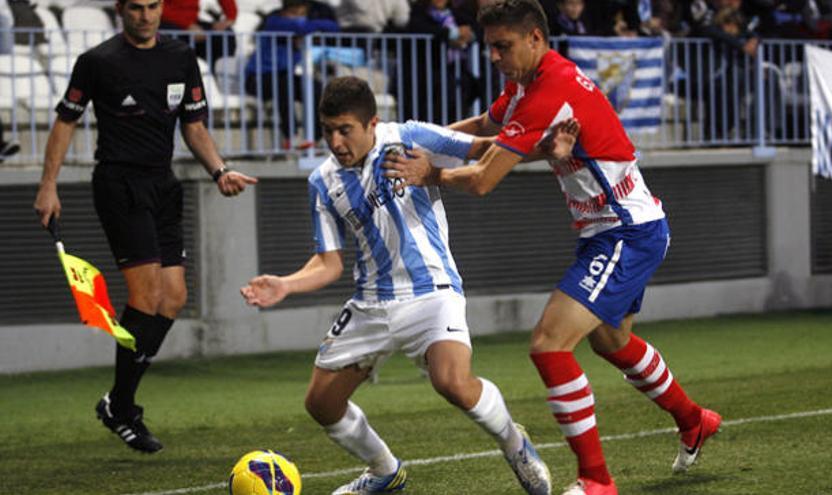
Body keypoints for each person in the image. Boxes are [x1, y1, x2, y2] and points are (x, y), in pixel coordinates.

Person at [382, 1, 722, 494]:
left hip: (626, 232)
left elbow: (481, 181)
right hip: (616, 229)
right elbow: (482, 126)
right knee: (609, 341)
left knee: (548, 344)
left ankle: (597, 482)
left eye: (503, 46)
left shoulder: (549, 91)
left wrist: (427, 172)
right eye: (490, 47)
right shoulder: (529, 83)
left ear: (535, 39)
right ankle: (694, 420)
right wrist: (404, 136)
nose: (494, 56)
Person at [240, 76, 553, 495]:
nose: (335, 141)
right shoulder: (323, 182)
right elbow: (329, 262)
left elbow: (483, 150)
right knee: (320, 404)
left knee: (453, 383)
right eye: (328, 130)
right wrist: (286, 284)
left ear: (371, 123)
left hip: (431, 290)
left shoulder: (408, 138)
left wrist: (547, 150)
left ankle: (515, 445)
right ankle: (385, 471)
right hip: (370, 302)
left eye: (344, 129)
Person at [33, 0, 257, 453]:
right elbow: (65, 122)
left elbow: (194, 126)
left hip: (162, 184)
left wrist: (219, 170)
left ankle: (118, 403)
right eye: (136, 7)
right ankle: (123, 406)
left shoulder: (180, 57)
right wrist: (48, 185)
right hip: (119, 184)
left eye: (153, 5)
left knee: (173, 299)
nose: (146, 15)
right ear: (121, 10)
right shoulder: (97, 62)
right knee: (146, 297)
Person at [244, 0, 338, 147]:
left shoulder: (300, 29)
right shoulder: (273, 22)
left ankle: (315, 137)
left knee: (315, 87)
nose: (298, 17)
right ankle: (291, 135)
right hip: (257, 79)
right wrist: (307, 28)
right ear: (284, 12)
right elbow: (302, 26)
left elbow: (333, 27)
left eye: (302, 14)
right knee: (284, 83)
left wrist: (306, 29)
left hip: (283, 77)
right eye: (294, 13)